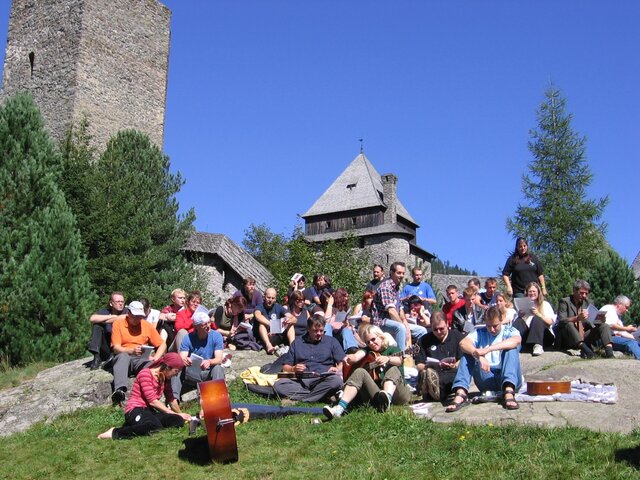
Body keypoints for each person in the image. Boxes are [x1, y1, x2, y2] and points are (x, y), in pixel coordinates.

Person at [323, 324, 411, 420]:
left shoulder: (393, 349)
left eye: (373, 339)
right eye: (368, 342)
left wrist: (388, 359)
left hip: (399, 394)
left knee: (392, 368)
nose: (371, 343)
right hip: (379, 395)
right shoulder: (368, 350)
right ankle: (339, 409)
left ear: (381, 337)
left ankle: (387, 399)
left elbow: (399, 360)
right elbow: (357, 356)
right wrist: (351, 358)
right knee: (359, 371)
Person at [97, 353, 190, 439]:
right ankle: (114, 432)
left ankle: (138, 425)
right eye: (176, 371)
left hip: (149, 412)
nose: (176, 374)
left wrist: (181, 415)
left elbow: (171, 399)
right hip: (136, 409)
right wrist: (174, 413)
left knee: (177, 420)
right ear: (167, 367)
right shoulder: (145, 374)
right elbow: (152, 401)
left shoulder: (165, 379)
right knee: (153, 426)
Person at [446, 306, 522, 412]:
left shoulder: (509, 330)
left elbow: (516, 340)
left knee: (511, 349)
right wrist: (478, 355)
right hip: (487, 376)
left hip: (508, 377)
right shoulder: (479, 332)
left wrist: (488, 349)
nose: (491, 329)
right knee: (468, 353)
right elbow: (463, 343)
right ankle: (461, 393)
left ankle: (509, 392)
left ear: (501, 320)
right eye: (488, 326)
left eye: (495, 326)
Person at [273, 315, 345, 403]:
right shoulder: (297, 343)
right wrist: (293, 368)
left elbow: (343, 361)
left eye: (321, 331)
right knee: (279, 385)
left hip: (323, 379)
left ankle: (301, 401)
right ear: (308, 329)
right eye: (315, 331)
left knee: (336, 381)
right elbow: (285, 367)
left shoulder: (331, 341)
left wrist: (337, 369)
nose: (319, 333)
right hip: (302, 381)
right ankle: (322, 395)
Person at [110, 301, 167, 405]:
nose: (138, 319)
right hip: (124, 356)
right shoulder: (118, 324)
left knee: (153, 366)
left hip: (141, 359)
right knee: (122, 357)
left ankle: (154, 395)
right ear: (129, 313)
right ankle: (120, 391)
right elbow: (116, 348)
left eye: (140, 316)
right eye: (135, 316)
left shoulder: (146, 325)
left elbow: (162, 345)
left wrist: (156, 358)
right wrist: (130, 351)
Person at [171, 311, 225, 401]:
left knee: (218, 368)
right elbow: (182, 356)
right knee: (177, 366)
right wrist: (185, 360)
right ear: (196, 326)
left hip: (208, 372)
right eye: (204, 324)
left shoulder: (216, 336)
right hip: (192, 372)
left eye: (209, 322)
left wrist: (209, 361)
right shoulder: (188, 338)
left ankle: (218, 399)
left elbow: (219, 359)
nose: (208, 326)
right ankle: (173, 399)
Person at [555, 280, 614, 359]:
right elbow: (561, 321)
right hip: (568, 337)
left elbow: (592, 322)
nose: (584, 296)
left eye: (586, 293)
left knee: (604, 325)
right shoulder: (565, 302)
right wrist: (577, 318)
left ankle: (609, 352)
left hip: (584, 335)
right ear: (574, 291)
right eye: (581, 293)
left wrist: (601, 319)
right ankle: (587, 351)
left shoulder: (588, 302)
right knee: (569, 324)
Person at [414, 312, 463, 402]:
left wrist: (454, 365)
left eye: (441, 328)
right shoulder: (424, 340)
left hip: (451, 372)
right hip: (433, 371)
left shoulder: (457, 336)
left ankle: (432, 391)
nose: (438, 332)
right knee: (427, 373)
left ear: (447, 324)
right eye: (435, 329)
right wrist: (429, 367)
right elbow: (419, 364)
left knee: (452, 377)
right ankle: (431, 387)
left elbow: (462, 359)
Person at [371, 262, 415, 349]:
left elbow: (400, 309)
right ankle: (400, 357)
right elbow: (391, 310)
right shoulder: (385, 287)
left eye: (403, 273)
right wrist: (404, 326)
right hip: (381, 322)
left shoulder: (396, 288)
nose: (401, 275)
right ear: (391, 272)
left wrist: (406, 323)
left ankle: (419, 358)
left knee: (422, 331)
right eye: (399, 273)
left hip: (393, 321)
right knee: (400, 328)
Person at [512, 282, 555, 356]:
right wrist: (520, 316)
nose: (532, 293)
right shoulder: (522, 306)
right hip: (527, 337)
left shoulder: (545, 304)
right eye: (530, 291)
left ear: (538, 293)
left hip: (544, 336)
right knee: (519, 320)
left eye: (534, 291)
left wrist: (538, 314)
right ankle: (513, 343)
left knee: (537, 318)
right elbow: (515, 324)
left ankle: (538, 345)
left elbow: (550, 322)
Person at [87, 292, 127, 370]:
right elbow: (92, 318)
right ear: (111, 303)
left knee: (99, 322)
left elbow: (125, 317)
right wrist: (113, 316)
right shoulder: (105, 311)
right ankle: (96, 356)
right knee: (97, 326)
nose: (120, 304)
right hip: (107, 347)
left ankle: (112, 359)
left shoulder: (127, 311)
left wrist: (106, 320)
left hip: (120, 347)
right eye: (118, 302)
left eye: (122, 302)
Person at [598, 295, 639, 359]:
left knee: (636, 342)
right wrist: (627, 328)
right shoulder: (608, 309)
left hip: (613, 338)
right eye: (626, 307)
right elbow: (610, 325)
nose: (627, 310)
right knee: (631, 343)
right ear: (619, 304)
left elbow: (622, 332)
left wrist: (635, 337)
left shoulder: (617, 315)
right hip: (606, 339)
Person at [254, 287, 294, 354]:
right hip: (265, 336)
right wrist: (272, 325)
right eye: (268, 297)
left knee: (291, 324)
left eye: (273, 298)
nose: (270, 300)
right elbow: (257, 316)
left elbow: (294, 318)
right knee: (262, 324)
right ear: (264, 297)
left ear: (275, 299)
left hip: (277, 335)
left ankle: (293, 347)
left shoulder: (278, 307)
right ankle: (268, 345)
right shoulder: (260, 306)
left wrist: (289, 321)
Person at [321, 289, 359, 353]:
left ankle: (351, 348)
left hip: (340, 334)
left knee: (347, 329)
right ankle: (327, 347)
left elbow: (350, 325)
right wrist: (329, 305)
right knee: (327, 325)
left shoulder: (344, 310)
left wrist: (347, 324)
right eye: (344, 296)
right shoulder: (331, 308)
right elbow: (326, 321)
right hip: (330, 334)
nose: (346, 299)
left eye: (347, 297)